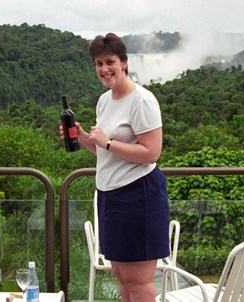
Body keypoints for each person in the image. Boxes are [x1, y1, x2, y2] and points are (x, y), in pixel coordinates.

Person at [62, 33, 170, 301]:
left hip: (138, 195)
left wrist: (108, 143)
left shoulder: (142, 101)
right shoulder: (105, 100)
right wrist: (85, 137)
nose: (104, 69)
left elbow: (151, 152)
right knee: (121, 276)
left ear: (124, 62)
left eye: (109, 61)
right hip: (110, 196)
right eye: (98, 64)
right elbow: (103, 150)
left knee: (139, 281)